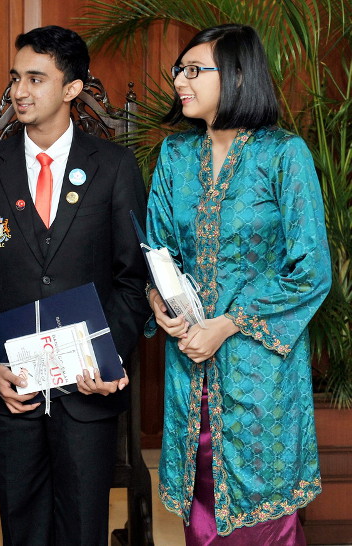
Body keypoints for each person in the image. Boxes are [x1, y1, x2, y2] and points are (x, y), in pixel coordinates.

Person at [0, 25, 149, 545]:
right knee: (21, 528)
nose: (19, 91)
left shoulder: (114, 167)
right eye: (16, 77)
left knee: (84, 528)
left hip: (88, 392)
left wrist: (106, 357)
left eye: (36, 78)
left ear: (72, 88)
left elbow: (132, 281)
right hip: (12, 393)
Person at [146, 24, 331, 544]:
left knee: (263, 522)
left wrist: (228, 324)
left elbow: (311, 269)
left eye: (193, 70)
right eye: (179, 70)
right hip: (190, 366)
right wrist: (158, 299)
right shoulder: (175, 158)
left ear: (238, 75)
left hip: (260, 376)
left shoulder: (281, 155)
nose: (180, 81)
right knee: (201, 510)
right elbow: (159, 253)